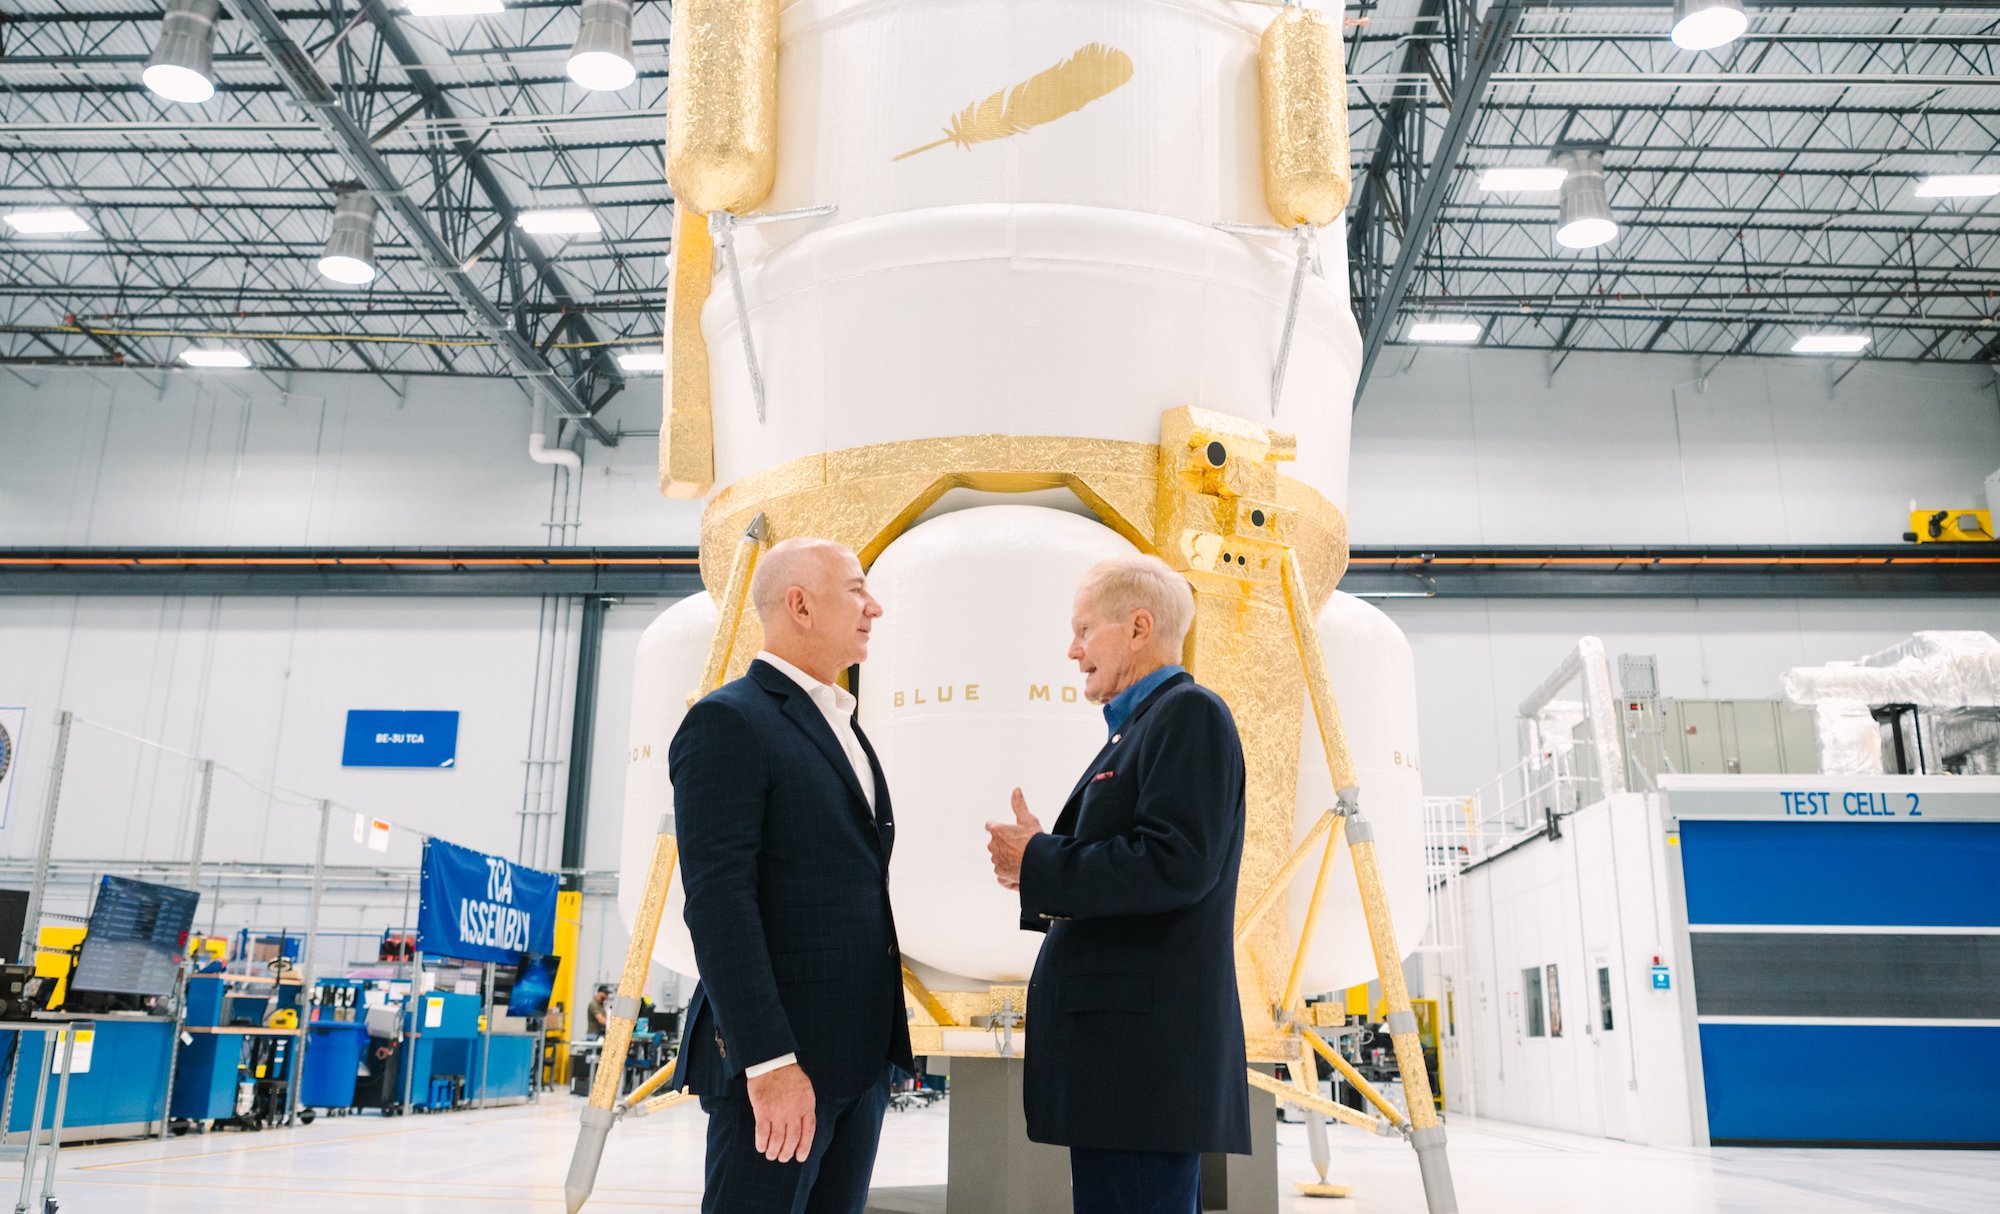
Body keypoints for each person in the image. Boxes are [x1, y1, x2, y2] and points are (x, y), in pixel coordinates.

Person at [985, 553, 1250, 1214]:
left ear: (1138, 628)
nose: (1072, 651)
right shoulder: (1138, 730)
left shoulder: (1187, 714)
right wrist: (1046, 854)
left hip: (1142, 1068)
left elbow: (1176, 863)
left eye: (1083, 630)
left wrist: (1042, 860)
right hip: (1125, 1066)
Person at [672, 538, 914, 1214]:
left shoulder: (844, 726)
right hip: (782, 1067)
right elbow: (720, 902)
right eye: (857, 590)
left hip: (854, 1065)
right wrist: (769, 1061)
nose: (876, 607)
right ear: (800, 605)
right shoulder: (730, 721)